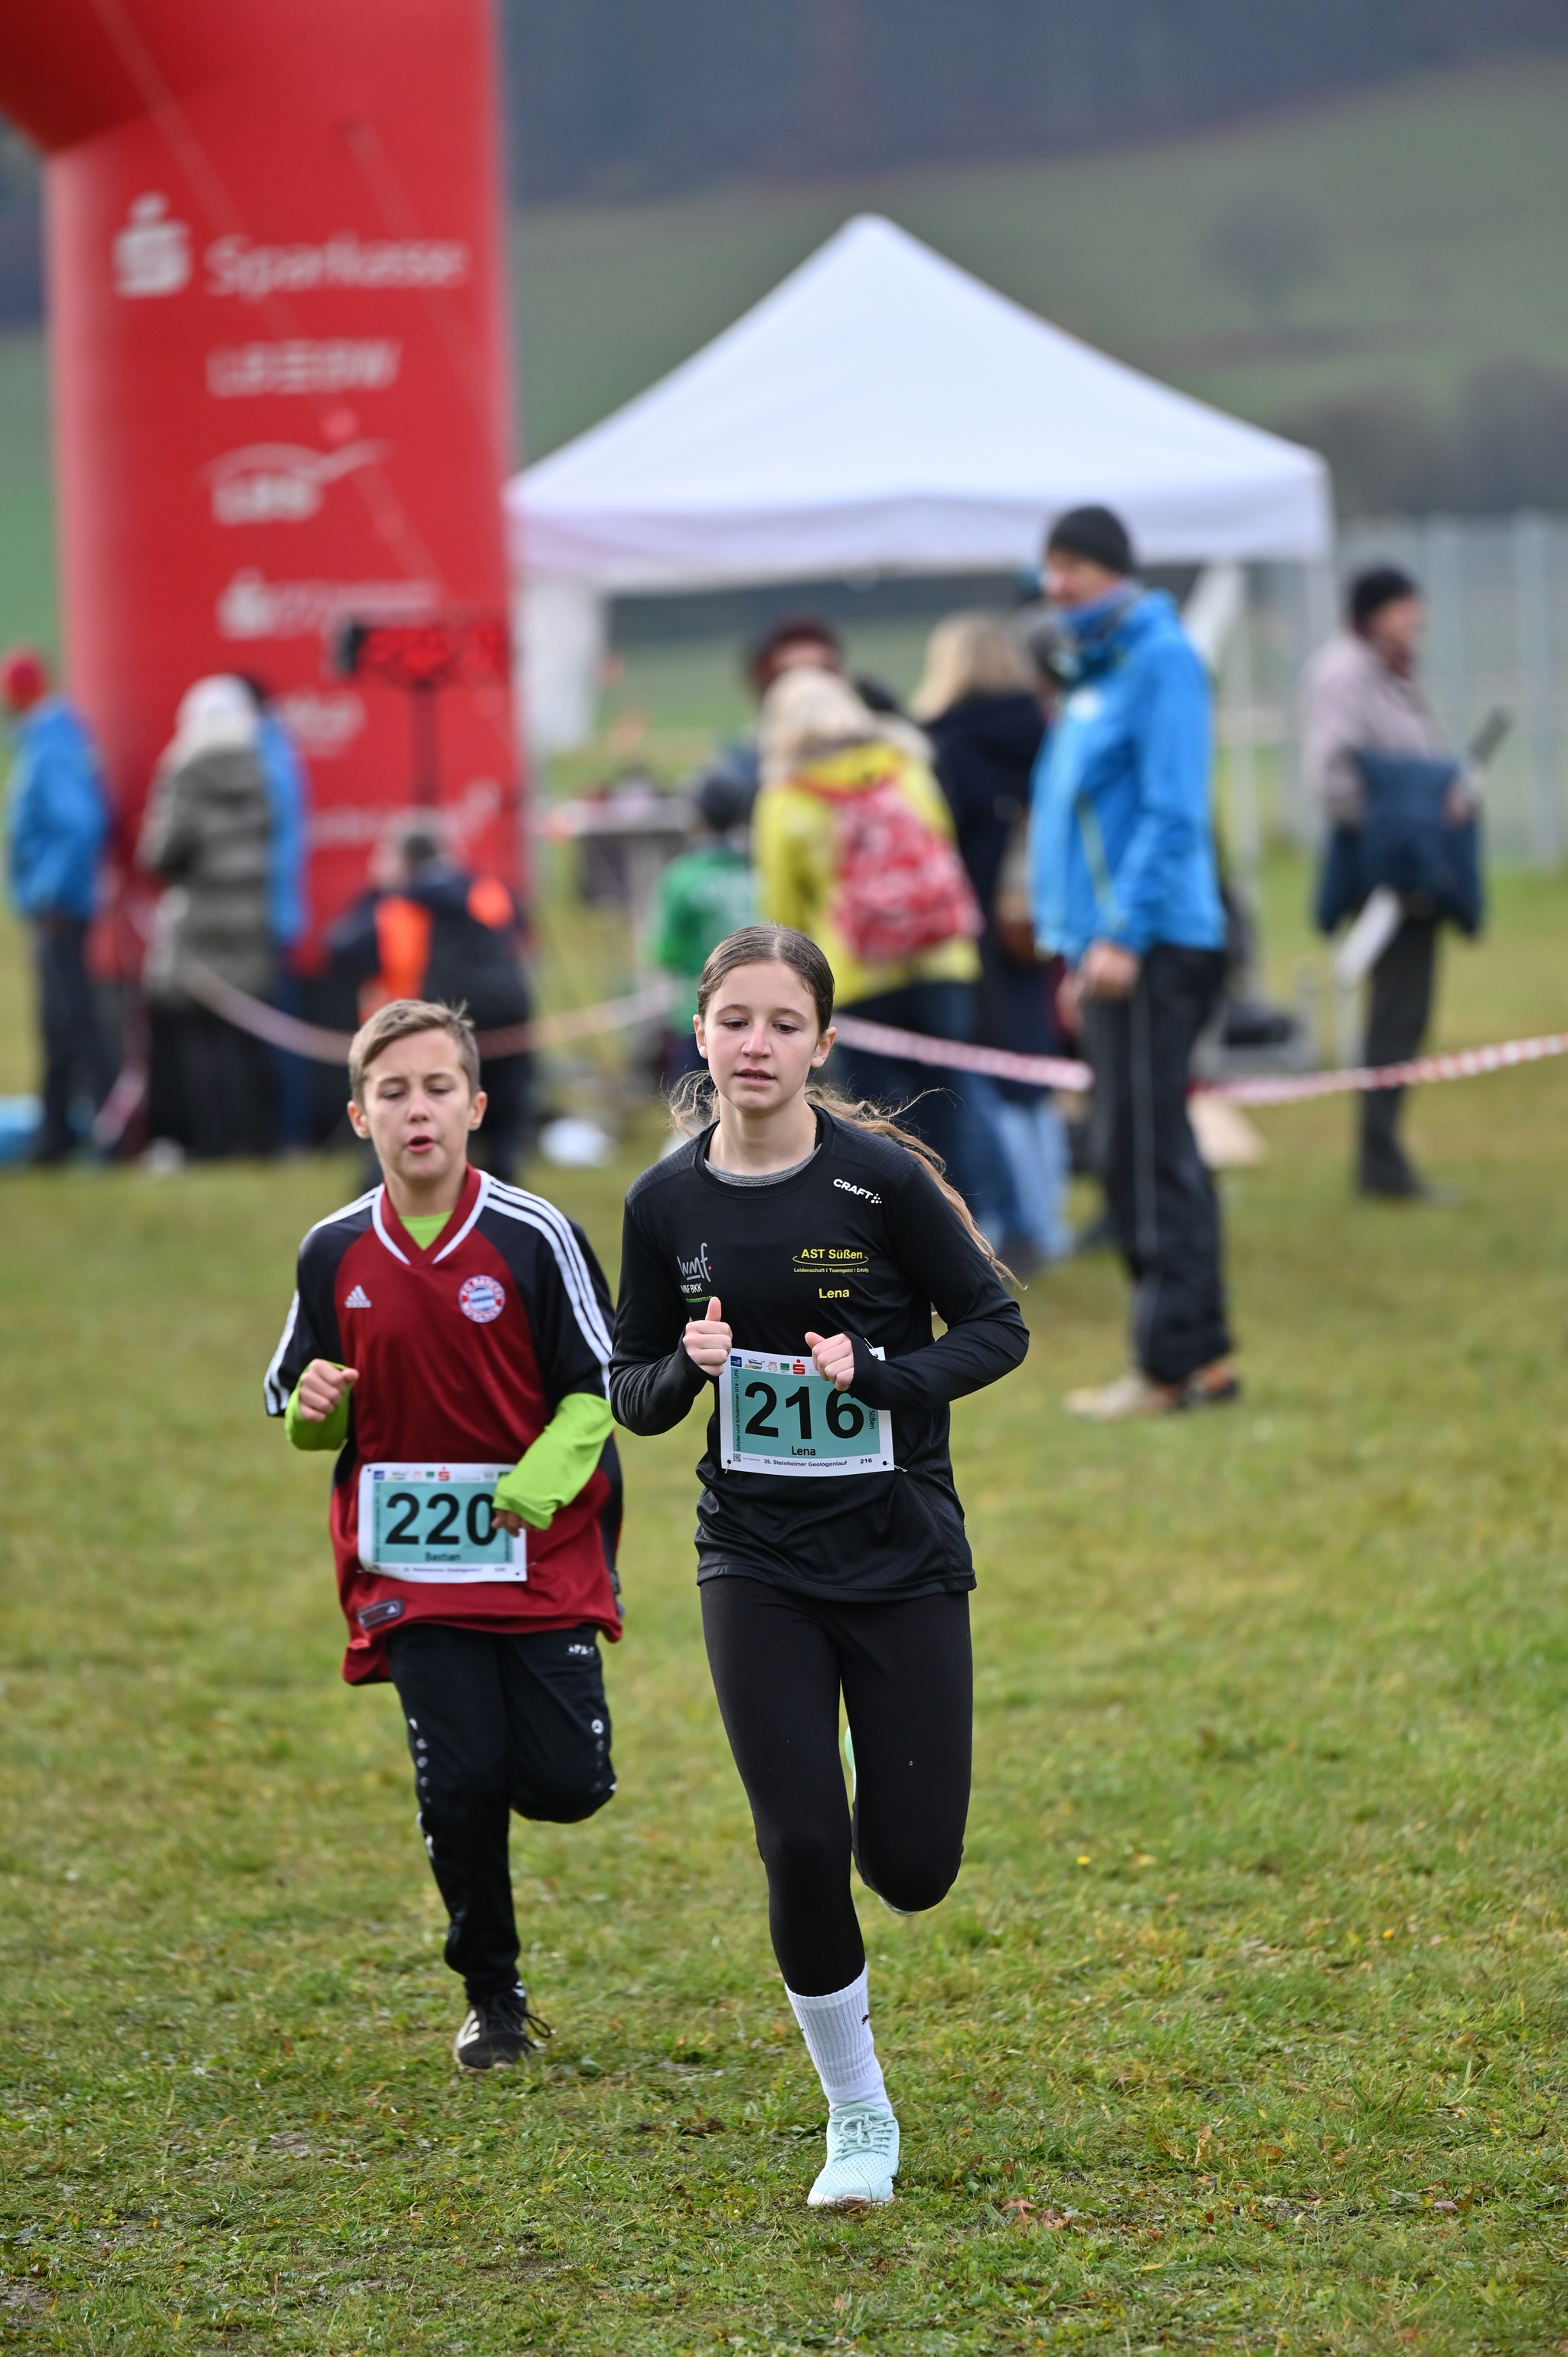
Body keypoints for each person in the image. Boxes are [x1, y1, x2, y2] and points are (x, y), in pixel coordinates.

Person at [610, 924, 1027, 2208]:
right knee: (800, 1837)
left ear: (822, 1042)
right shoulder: (662, 1202)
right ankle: (857, 2114)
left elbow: (997, 1324)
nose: (756, 1043)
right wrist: (687, 1368)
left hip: (898, 1549)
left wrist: (886, 1377)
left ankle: (870, 1756)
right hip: (754, 1557)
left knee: (911, 1870)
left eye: (783, 1022)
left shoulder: (879, 1183)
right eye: (734, 1019)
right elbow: (629, 1388)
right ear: (699, 1032)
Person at [264, 998, 622, 2071]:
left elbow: (599, 1386)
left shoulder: (533, 1234)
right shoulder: (332, 1248)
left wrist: (537, 1485)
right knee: (458, 1783)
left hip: (536, 1548)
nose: (415, 1110)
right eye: (392, 1092)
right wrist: (314, 1407)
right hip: (410, 1564)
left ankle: (499, 1756)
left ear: (474, 1104)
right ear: (359, 1114)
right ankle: (492, 1997)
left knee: (566, 1784)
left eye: (435, 1088)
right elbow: (300, 1402)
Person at [1026, 505, 1235, 1420]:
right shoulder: (1093, 669)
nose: (1055, 585)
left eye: (1071, 565)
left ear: (1114, 568)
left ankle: (1163, 1367)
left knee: (1140, 1159)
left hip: (1150, 945)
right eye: (1048, 568)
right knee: (1149, 1150)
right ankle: (1204, 1356)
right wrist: (1077, 942)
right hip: (1104, 947)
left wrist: (1122, 933)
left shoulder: (1160, 660)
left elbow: (1171, 809)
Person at [751, 666, 1005, 1229]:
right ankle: (974, 1230)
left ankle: (894, 1230)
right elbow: (942, 842)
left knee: (873, 1115)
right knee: (952, 1100)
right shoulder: (904, 765)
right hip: (940, 958)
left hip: (857, 972)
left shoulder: (786, 796)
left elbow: (784, 909)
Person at [913, 613, 1073, 1267]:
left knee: (987, 1076)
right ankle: (1052, 1218)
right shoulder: (1044, 732)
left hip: (973, 929)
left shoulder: (942, 745)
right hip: (1037, 920)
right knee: (1036, 1072)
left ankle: (1013, 1220)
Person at [1302, 566, 1456, 1201]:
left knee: (1406, 1016)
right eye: (1403, 608)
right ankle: (1380, 1165)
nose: (1416, 620)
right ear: (1373, 613)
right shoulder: (1345, 674)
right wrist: (1405, 825)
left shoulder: (1389, 673)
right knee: (1392, 1019)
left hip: (1412, 867)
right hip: (1385, 873)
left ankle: (1385, 1156)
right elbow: (1332, 777)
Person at [327, 816, 534, 1179]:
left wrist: (378, 891)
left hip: (432, 1032)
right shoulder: (489, 893)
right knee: (501, 1134)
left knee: (406, 1118)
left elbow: (340, 951)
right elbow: (522, 933)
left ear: (400, 862)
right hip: (507, 1026)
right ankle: (504, 1188)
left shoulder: (396, 907)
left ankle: (385, 1198)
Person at [138, 674, 276, 1159]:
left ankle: (215, 1142)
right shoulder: (256, 768)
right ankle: (254, 1139)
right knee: (244, 1037)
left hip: (200, 922)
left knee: (202, 1039)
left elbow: (163, 851)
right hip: (248, 918)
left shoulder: (184, 769)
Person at [2, 646, 114, 1162]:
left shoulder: (49, 747)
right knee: (58, 1024)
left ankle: (109, 1134)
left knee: (74, 1022)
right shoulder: (53, 740)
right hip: (56, 907)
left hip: (59, 910)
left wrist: (49, 891)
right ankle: (55, 1136)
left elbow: (80, 824)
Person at [238, 677, 313, 1151]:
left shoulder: (267, 760)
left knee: (279, 1033)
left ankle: (289, 1134)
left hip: (268, 917)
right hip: (271, 914)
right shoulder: (274, 754)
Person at [650, 767, 758, 1081]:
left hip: (697, 1015)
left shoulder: (684, 877)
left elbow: (665, 952)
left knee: (694, 1104)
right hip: (760, 1014)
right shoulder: (757, 872)